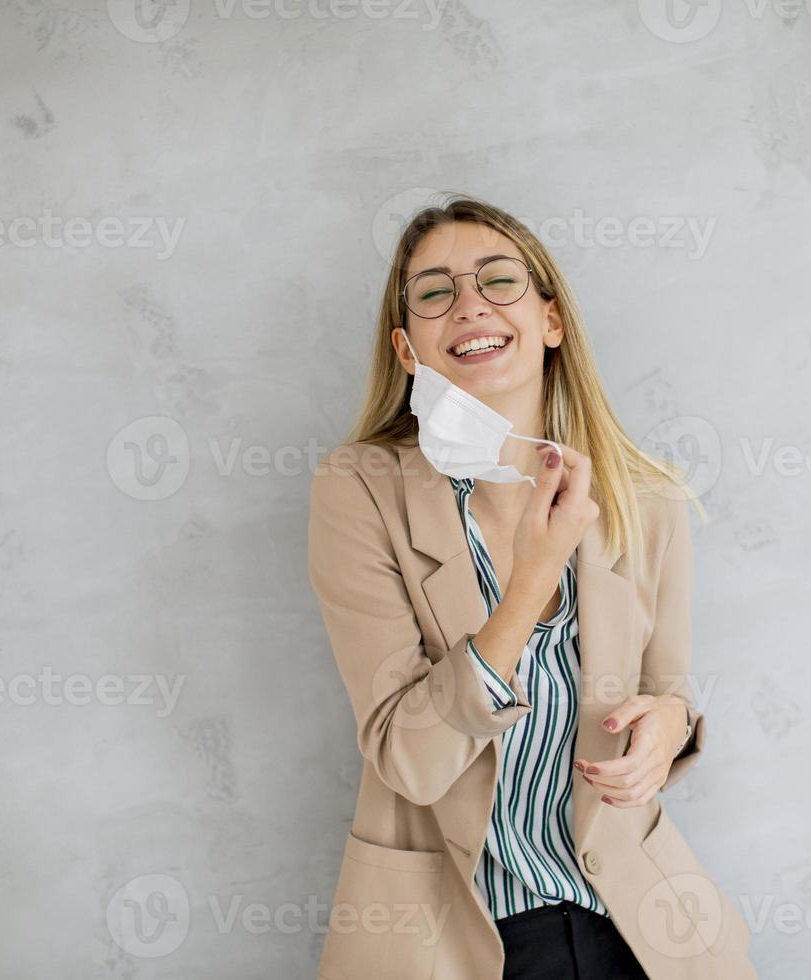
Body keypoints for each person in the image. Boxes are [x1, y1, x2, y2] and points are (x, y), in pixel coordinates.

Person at [307, 194, 757, 979]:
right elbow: (407, 759)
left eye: (499, 281)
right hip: (453, 941)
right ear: (408, 347)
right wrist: (531, 581)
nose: (470, 304)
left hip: (637, 926)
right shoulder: (359, 488)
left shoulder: (646, 499)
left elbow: (669, 698)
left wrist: (668, 728)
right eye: (436, 292)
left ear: (550, 319)